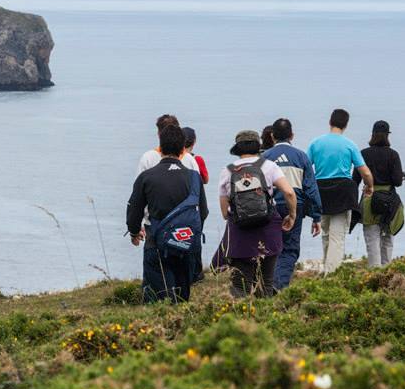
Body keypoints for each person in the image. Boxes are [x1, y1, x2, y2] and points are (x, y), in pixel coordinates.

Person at [127, 124, 208, 303]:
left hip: (156, 241)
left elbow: (134, 209)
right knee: (181, 296)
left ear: (160, 148)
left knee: (157, 297)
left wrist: (134, 231)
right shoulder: (194, 177)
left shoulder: (146, 177)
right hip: (185, 242)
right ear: (183, 150)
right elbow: (203, 211)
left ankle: (160, 327)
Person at [211, 130, 297, 298]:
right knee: (266, 281)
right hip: (268, 230)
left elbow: (224, 212)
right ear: (258, 146)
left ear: (237, 148)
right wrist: (291, 215)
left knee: (240, 285)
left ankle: (240, 320)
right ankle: (265, 319)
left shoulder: (227, 171)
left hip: (240, 233)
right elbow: (289, 193)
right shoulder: (269, 166)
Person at [307, 109, 374, 274]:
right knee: (337, 236)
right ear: (345, 125)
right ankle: (331, 275)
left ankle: (326, 269)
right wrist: (369, 186)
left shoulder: (316, 143)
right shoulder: (349, 145)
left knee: (326, 233)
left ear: (330, 122)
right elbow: (365, 172)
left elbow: (306, 169)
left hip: (321, 191)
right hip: (342, 192)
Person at [262, 118, 323, 290]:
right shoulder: (301, 157)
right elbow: (311, 188)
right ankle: (279, 285)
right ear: (292, 135)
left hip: (270, 208)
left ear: (272, 136)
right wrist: (316, 216)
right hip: (294, 207)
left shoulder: (264, 158)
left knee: (270, 248)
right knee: (289, 249)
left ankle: (268, 284)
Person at [355, 120, 405, 266]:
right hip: (390, 200)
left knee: (372, 241)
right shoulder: (393, 155)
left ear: (373, 134)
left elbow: (355, 179)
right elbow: (397, 181)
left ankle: (374, 274)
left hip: (369, 198)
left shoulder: (363, 154)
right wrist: (400, 175)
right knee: (388, 239)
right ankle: (386, 274)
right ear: (387, 135)